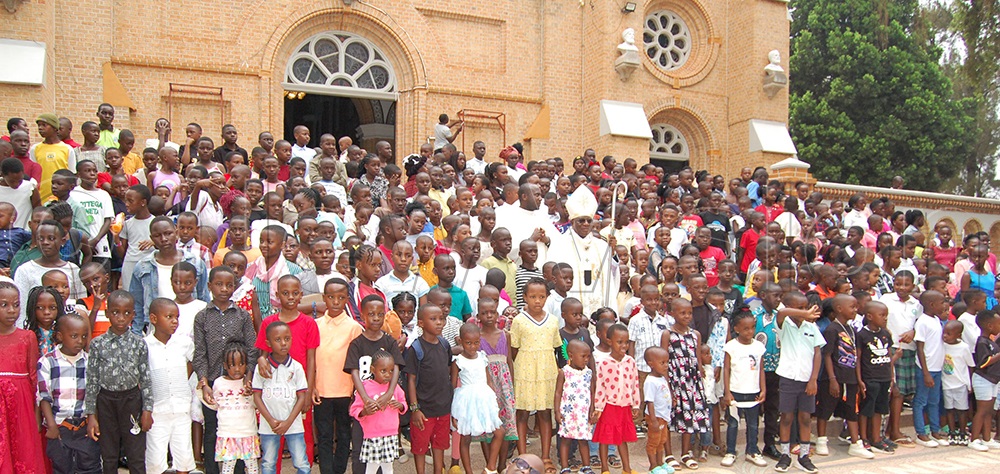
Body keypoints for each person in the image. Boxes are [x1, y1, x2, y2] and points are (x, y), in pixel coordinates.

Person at [194, 266, 259, 474]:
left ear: (235, 287)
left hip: (240, 383)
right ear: (209, 285)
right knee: (212, 430)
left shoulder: (242, 316)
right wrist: (204, 384)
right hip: (213, 383)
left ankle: (239, 470)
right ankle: (213, 470)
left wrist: (248, 377)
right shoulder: (202, 317)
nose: (224, 289)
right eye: (219, 284)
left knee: (238, 430)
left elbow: (252, 348)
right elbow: (200, 353)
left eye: (229, 285)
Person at [252, 275, 320, 464]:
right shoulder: (269, 323)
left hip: (299, 390)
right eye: (285, 293)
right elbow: (262, 354)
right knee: (274, 441)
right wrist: (260, 359)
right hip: (274, 392)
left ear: (301, 295)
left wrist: (307, 392)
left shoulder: (309, 323)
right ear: (277, 295)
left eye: (295, 293)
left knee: (303, 436)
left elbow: (312, 360)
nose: (290, 297)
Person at [84, 290, 152, 474]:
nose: (121, 318)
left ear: (133, 314)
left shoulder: (139, 343)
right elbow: (92, 381)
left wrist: (147, 410)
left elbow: (146, 379)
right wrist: (91, 415)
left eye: (126, 312)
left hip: (131, 401)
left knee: (136, 455)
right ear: (107, 314)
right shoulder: (98, 344)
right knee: (109, 454)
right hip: (106, 402)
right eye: (115, 312)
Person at [344, 294, 404, 474]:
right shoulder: (357, 344)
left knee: (384, 454)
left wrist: (389, 394)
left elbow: (397, 367)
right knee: (360, 451)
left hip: (385, 409)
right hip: (365, 405)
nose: (376, 318)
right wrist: (365, 398)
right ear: (362, 316)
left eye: (380, 314)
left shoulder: (389, 342)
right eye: (371, 314)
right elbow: (354, 371)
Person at [38, 313, 101, 474]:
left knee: (90, 467)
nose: (80, 341)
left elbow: (94, 394)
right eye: (74, 336)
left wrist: (93, 419)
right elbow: (44, 397)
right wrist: (51, 426)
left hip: (84, 426)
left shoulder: (89, 362)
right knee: (61, 467)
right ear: (60, 336)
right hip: (59, 427)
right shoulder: (48, 362)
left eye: (84, 336)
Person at [313, 278, 364, 474]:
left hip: (345, 391)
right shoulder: (315, 325)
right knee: (324, 435)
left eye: (341, 297)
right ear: (324, 298)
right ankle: (326, 470)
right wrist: (312, 387)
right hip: (321, 390)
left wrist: (355, 391)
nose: (335, 301)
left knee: (344, 434)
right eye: (331, 297)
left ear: (347, 300)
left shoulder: (353, 327)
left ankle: (339, 470)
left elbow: (358, 363)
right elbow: (312, 360)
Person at [816, 294, 873, 459]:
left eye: (856, 307)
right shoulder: (832, 329)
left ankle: (855, 444)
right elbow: (827, 355)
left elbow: (855, 356)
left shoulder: (852, 329)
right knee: (825, 409)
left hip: (850, 378)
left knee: (851, 411)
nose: (856, 310)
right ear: (839, 308)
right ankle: (821, 441)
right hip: (833, 378)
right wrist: (832, 379)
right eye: (852, 307)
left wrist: (858, 379)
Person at [129, 216, 210, 334]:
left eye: (168, 233)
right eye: (157, 236)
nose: (164, 239)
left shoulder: (195, 263)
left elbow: (204, 297)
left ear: (176, 233)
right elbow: (137, 304)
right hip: (156, 330)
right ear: (151, 238)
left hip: (190, 328)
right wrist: (137, 333)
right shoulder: (143, 266)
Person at [144, 297, 197, 474]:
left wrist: (183, 376)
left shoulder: (184, 343)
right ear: (153, 319)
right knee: (155, 460)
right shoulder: (145, 346)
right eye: (169, 317)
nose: (175, 321)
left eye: (177, 317)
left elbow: (195, 361)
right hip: (157, 411)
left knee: (184, 458)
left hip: (181, 409)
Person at [548, 186, 619, 316]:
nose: (585, 224)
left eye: (589, 221)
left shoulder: (602, 245)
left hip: (598, 307)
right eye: (581, 220)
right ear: (572, 221)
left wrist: (612, 254)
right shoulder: (559, 245)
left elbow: (612, 279)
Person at [773, 292, 823, 473]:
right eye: (799, 308)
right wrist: (804, 313)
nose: (804, 311)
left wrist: (813, 379)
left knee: (805, 417)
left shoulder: (812, 327)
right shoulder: (784, 324)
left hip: (807, 380)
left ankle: (804, 456)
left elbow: (817, 353)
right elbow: (782, 312)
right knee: (786, 417)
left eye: (805, 307)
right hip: (788, 378)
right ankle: (785, 454)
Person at [252, 320, 310, 474]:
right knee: (268, 464)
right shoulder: (261, 368)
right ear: (268, 343)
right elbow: (257, 397)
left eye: (287, 338)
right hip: (268, 426)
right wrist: (271, 421)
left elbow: (302, 397)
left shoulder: (296, 367)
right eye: (277, 340)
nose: (283, 343)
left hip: (294, 425)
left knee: (301, 463)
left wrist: (289, 422)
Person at [404, 304, 454, 474]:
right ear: (421, 323)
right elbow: (411, 380)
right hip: (423, 410)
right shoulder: (416, 349)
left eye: (441, 319)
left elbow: (446, 372)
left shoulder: (445, 345)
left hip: (442, 407)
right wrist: (415, 408)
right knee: (420, 447)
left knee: (440, 445)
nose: (439, 323)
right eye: (433, 319)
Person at [452, 323, 505, 474]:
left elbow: (489, 381)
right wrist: (454, 412)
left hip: (484, 398)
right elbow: (453, 387)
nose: (473, 346)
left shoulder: (482, 357)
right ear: (460, 341)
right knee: (465, 437)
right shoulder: (457, 361)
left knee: (499, 432)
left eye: (476, 342)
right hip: (466, 401)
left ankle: (490, 467)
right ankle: (469, 471)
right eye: (468, 343)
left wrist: (493, 401)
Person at [721, 308, 768, 467]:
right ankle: (730, 451)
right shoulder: (731, 346)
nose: (750, 331)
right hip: (735, 392)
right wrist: (727, 392)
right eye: (746, 328)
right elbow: (726, 369)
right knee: (733, 423)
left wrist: (763, 389)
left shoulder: (758, 347)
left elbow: (761, 369)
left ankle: (752, 451)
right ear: (736, 329)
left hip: (753, 392)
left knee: (753, 424)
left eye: (752, 328)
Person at [591, 323, 640, 474]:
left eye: (626, 342)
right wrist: (598, 408)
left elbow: (635, 384)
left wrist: (636, 404)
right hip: (609, 407)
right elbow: (600, 386)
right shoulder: (604, 363)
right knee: (605, 439)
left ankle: (627, 468)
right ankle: (605, 469)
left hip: (624, 406)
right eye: (620, 342)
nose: (624, 345)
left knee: (622, 439)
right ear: (609, 341)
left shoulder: (630, 362)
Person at [349, 350, 407, 474]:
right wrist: (364, 412)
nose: (388, 375)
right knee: (372, 467)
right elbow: (354, 410)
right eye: (383, 371)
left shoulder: (395, 387)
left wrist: (400, 406)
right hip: (372, 435)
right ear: (372, 369)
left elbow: (403, 402)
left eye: (391, 371)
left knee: (388, 467)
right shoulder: (365, 387)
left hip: (391, 434)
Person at [211, 343, 261, 474]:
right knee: (227, 468)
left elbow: (257, 405)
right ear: (225, 366)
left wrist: (251, 393)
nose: (237, 369)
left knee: (252, 468)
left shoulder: (250, 384)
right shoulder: (219, 383)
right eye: (232, 365)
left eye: (241, 364)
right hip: (227, 434)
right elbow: (215, 405)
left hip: (248, 433)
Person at [855, 301, 895, 453]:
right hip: (869, 378)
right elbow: (858, 359)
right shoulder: (862, 335)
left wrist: (891, 377)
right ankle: (864, 437)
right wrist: (859, 380)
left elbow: (889, 356)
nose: (885, 318)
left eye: (886, 316)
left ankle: (876, 438)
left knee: (880, 409)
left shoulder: (885, 334)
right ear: (870, 317)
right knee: (866, 409)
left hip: (884, 377)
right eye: (882, 315)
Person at [912, 290, 949, 447]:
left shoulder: (936, 320)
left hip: (937, 367)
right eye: (941, 303)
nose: (944, 306)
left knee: (934, 401)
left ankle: (935, 430)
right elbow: (920, 348)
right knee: (921, 400)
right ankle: (921, 433)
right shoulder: (923, 322)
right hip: (925, 369)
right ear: (931, 304)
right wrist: (925, 372)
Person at [555, 339, 595, 474]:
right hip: (568, 412)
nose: (586, 360)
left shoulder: (588, 373)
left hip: (583, 412)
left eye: (588, 356)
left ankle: (586, 466)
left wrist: (592, 409)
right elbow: (558, 392)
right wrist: (557, 412)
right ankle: (565, 466)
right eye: (583, 356)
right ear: (571, 355)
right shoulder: (564, 372)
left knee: (583, 440)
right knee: (566, 439)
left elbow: (592, 391)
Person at [641, 347, 676, 473]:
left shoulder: (661, 377)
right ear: (651, 364)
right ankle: (653, 465)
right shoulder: (650, 381)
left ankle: (661, 463)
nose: (666, 365)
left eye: (667, 362)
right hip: (656, 417)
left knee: (662, 440)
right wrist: (653, 420)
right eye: (662, 363)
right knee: (653, 442)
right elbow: (649, 402)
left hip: (664, 416)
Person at [970, 310, 1000, 451]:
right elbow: (983, 363)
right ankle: (974, 439)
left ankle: (987, 438)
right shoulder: (982, 342)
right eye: (998, 323)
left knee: (989, 411)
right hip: (983, 379)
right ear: (989, 326)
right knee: (982, 410)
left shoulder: (991, 341)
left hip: (993, 380)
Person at [30, 113, 77, 203]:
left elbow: (72, 174)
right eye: (39, 125)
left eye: (44, 125)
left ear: (55, 128)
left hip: (62, 198)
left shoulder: (67, 149)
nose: (40, 128)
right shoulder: (35, 149)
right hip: (41, 196)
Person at [941, 320, 974, 446]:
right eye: (944, 333)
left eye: (949, 334)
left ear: (958, 335)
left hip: (960, 384)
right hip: (946, 383)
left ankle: (962, 432)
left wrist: (969, 383)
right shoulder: (943, 345)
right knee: (949, 409)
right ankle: (952, 432)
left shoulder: (964, 347)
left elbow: (970, 365)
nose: (945, 336)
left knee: (962, 410)